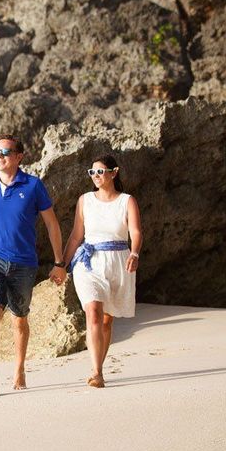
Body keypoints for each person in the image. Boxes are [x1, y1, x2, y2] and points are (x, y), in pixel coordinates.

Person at [0, 135, 66, 398]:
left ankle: (19, 368)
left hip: (24, 261)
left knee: (19, 318)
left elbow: (52, 224)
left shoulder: (33, 186)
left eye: (6, 152)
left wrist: (59, 262)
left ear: (19, 156)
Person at [62, 155, 143, 388]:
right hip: (89, 262)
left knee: (107, 321)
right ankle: (97, 372)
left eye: (100, 172)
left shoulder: (127, 201)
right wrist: (62, 265)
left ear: (114, 173)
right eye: (92, 172)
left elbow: (136, 232)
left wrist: (135, 253)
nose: (96, 176)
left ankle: (99, 365)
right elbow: (76, 236)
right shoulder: (84, 200)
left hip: (118, 261)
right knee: (94, 312)